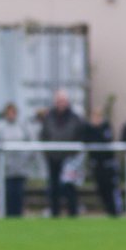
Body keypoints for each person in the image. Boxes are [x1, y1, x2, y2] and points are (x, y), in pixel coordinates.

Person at [39, 89, 85, 217]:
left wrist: (74, 154)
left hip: (69, 159)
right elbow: (43, 135)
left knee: (70, 188)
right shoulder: (49, 117)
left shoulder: (75, 118)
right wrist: (47, 153)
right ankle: (55, 214)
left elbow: (79, 135)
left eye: (63, 100)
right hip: (53, 158)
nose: (61, 103)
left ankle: (73, 214)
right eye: (59, 100)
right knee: (53, 188)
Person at [0, 102, 38, 218]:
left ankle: (19, 216)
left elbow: (31, 143)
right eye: (9, 112)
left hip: (21, 167)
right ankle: (7, 216)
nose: (11, 115)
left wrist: (26, 159)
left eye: (13, 112)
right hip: (6, 168)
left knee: (19, 194)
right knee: (7, 194)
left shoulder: (23, 126)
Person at [85, 107, 120, 216]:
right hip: (97, 165)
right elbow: (86, 140)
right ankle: (109, 212)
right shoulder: (88, 128)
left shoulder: (106, 127)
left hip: (108, 166)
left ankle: (116, 213)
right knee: (101, 190)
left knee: (111, 190)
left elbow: (106, 140)